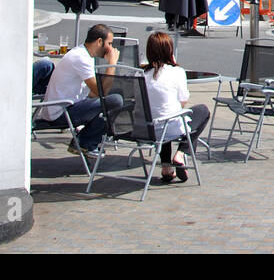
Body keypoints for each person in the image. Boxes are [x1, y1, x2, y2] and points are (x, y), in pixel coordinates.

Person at [38, 23, 123, 154]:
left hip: (64, 107)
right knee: (115, 101)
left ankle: (85, 141)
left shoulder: (83, 53)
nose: (111, 48)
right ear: (99, 41)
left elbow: (94, 93)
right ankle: (84, 142)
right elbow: (102, 92)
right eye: (109, 43)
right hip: (61, 113)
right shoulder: (81, 58)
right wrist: (112, 64)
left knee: (111, 102)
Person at [142, 31, 210, 183]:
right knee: (202, 111)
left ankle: (166, 167)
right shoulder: (176, 72)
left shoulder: (140, 75)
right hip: (167, 127)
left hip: (145, 129)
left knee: (162, 114)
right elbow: (183, 101)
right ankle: (180, 153)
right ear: (169, 51)